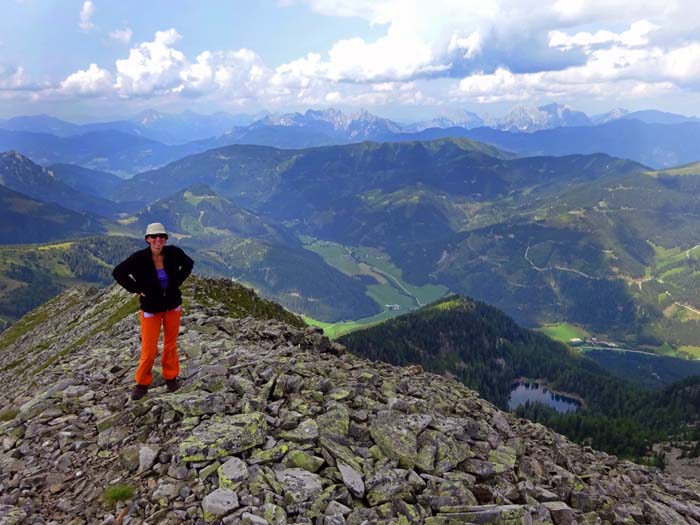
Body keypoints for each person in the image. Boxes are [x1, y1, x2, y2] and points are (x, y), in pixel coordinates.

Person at [113, 222, 194, 400]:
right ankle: (142, 383)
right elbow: (118, 272)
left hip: (173, 304)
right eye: (154, 237)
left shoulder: (173, 253)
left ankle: (171, 377)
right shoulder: (139, 258)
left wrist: (177, 282)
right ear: (148, 239)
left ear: (165, 238)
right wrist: (136, 289)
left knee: (170, 344)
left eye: (161, 236)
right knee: (149, 349)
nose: (158, 240)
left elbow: (189, 264)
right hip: (151, 307)